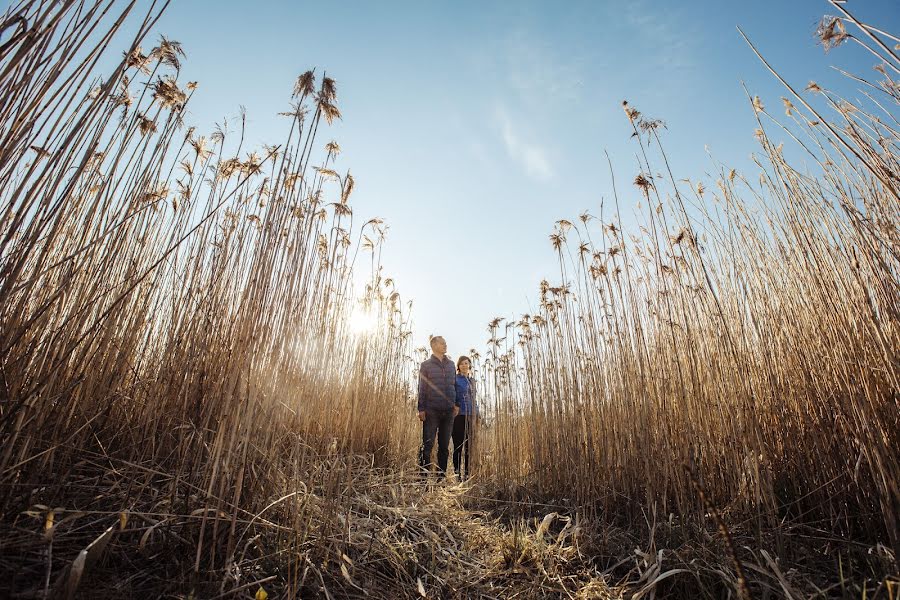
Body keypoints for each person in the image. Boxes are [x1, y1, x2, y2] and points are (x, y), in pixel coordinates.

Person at [417, 335, 459, 479]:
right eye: (442, 343)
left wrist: (456, 404)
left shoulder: (451, 364)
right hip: (431, 410)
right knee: (427, 445)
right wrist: (421, 408)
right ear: (434, 345)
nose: (445, 345)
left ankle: (441, 478)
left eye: (445, 343)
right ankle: (423, 479)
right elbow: (422, 388)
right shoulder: (426, 365)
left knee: (444, 447)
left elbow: (455, 385)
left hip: (448, 411)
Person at [452, 356, 478, 481]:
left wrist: (477, 414)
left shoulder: (472, 381)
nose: (464, 365)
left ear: (469, 365)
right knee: (458, 445)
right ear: (458, 366)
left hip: (471, 415)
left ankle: (467, 474)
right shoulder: (455, 379)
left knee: (469, 446)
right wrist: (455, 406)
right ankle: (457, 474)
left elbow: (474, 399)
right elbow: (451, 395)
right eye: (461, 363)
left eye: (466, 363)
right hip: (458, 416)